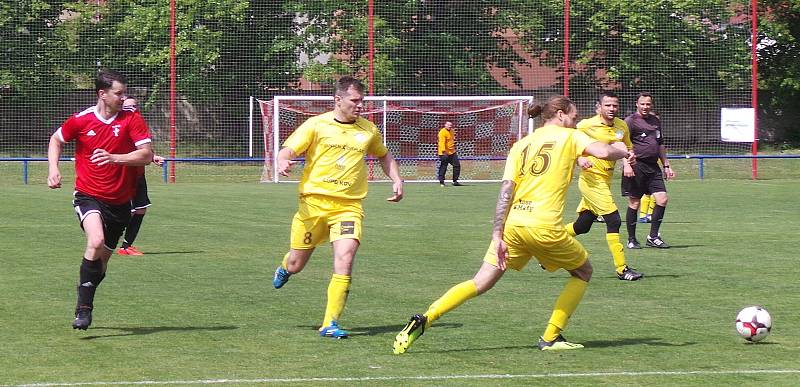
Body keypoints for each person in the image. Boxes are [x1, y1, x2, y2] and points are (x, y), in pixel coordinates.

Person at [392, 95, 629, 354]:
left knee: (480, 281)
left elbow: (506, 189)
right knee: (583, 272)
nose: (574, 122)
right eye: (573, 117)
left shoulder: (522, 144)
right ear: (560, 114)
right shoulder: (571, 137)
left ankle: (425, 318)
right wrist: (623, 148)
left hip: (514, 224)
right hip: (544, 225)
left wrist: (497, 234)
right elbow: (605, 152)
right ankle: (551, 337)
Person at [271, 76, 404, 339]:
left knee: (345, 258)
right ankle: (286, 267)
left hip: (348, 207)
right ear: (338, 99)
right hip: (314, 205)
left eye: (361, 101)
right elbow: (287, 149)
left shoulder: (368, 130)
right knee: (297, 263)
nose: (359, 106)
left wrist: (397, 178)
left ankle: (330, 322)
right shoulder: (316, 125)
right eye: (354, 101)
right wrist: (282, 161)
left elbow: (383, 155)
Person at [47, 69, 153, 330]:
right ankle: (84, 310)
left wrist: (115, 157)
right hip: (88, 196)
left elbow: (147, 155)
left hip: (120, 202)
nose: (123, 97)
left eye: (124, 93)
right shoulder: (81, 120)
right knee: (95, 241)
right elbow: (56, 140)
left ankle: (86, 293)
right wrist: (53, 169)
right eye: (119, 93)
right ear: (102, 94)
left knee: (102, 263)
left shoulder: (132, 119)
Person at [567, 91, 643, 281]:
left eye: (615, 105)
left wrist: (630, 157)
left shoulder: (621, 125)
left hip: (605, 181)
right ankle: (622, 269)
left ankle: (547, 248)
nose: (612, 109)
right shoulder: (585, 125)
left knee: (582, 226)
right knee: (614, 220)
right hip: (591, 180)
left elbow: (628, 147)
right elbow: (568, 144)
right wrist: (580, 158)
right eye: (607, 105)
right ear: (598, 107)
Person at [622, 92, 676, 249]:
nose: (645, 107)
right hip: (636, 166)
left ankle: (653, 237)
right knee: (634, 202)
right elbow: (622, 144)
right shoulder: (630, 122)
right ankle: (631, 239)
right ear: (636, 104)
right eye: (642, 104)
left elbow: (660, 144)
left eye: (648, 104)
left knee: (662, 199)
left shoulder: (655, 121)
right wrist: (626, 164)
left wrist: (666, 165)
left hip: (653, 167)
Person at [117, 98, 165, 256]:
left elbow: (141, 149)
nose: (133, 108)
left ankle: (126, 246)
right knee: (128, 212)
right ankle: (105, 239)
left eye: (135, 106)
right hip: (125, 175)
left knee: (140, 210)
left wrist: (153, 157)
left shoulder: (137, 123)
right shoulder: (120, 125)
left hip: (139, 175)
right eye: (129, 106)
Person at [437, 121, 462, 186]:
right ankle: (441, 182)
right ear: (445, 125)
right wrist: (443, 151)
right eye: (448, 125)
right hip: (444, 153)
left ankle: (455, 181)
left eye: (450, 125)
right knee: (444, 166)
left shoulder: (452, 131)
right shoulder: (442, 132)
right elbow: (441, 142)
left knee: (457, 165)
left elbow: (451, 140)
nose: (449, 126)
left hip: (452, 152)